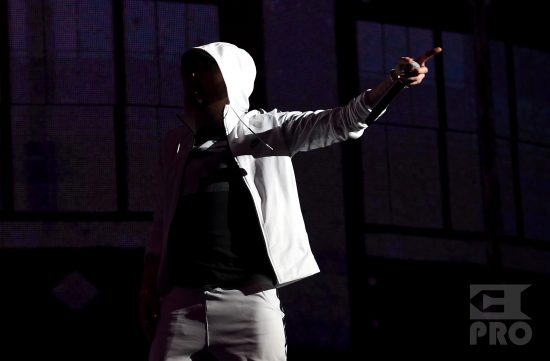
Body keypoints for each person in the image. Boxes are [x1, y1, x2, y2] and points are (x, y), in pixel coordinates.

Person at [139, 41, 441, 361]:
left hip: (249, 301)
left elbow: (343, 121)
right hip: (180, 303)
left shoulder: (270, 129)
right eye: (189, 70)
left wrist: (393, 82)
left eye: (204, 69)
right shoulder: (175, 143)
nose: (193, 77)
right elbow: (163, 221)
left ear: (231, 76)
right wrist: (148, 287)